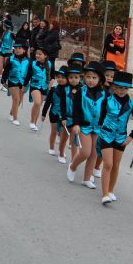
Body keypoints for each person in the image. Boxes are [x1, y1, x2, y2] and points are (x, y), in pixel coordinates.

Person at [96, 71, 133, 205]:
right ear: (114, 87)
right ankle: (104, 194)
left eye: (125, 88)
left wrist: (131, 137)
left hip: (121, 137)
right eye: (120, 87)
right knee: (108, 164)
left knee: (115, 165)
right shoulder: (107, 100)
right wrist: (100, 131)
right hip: (106, 135)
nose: (122, 91)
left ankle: (110, 191)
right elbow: (101, 118)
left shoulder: (132, 104)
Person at [66, 61, 106, 189]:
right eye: (88, 77)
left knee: (94, 154)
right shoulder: (81, 92)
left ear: (100, 79)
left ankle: (87, 178)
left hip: (98, 127)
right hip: (84, 126)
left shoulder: (105, 94)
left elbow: (106, 110)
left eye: (94, 77)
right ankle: (73, 166)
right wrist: (76, 124)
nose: (90, 80)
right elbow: (76, 109)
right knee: (85, 152)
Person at [42, 65, 69, 163]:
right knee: (54, 131)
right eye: (58, 77)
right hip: (53, 113)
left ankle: (61, 151)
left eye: (63, 77)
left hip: (65, 116)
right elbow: (47, 103)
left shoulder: (70, 91)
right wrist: (43, 114)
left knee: (63, 134)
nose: (60, 79)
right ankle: (51, 147)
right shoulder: (53, 89)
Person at [58, 63, 84, 163]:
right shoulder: (65, 89)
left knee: (74, 141)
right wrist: (63, 117)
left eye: (76, 77)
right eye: (71, 77)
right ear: (68, 78)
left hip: (76, 120)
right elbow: (62, 104)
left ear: (80, 78)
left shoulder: (83, 90)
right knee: (64, 138)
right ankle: (61, 154)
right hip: (66, 118)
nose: (74, 79)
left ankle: (73, 160)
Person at [1, 43, 30, 126]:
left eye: (19, 48)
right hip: (12, 81)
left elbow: (30, 73)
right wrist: (3, 81)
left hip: (23, 82)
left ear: (24, 50)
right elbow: (6, 70)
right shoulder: (11, 59)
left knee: (20, 100)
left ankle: (11, 113)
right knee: (16, 99)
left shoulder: (28, 61)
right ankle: (15, 118)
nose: (17, 49)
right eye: (16, 48)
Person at [25, 46, 51, 131]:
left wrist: (51, 83)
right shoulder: (32, 63)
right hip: (34, 86)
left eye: (40, 54)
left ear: (45, 56)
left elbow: (53, 75)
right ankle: (32, 122)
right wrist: (24, 86)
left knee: (39, 105)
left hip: (44, 87)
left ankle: (34, 124)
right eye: (36, 54)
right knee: (37, 102)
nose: (37, 55)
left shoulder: (50, 64)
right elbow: (28, 75)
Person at [0, 20, 15, 91]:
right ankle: (0, 84)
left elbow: (17, 41)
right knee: (0, 67)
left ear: (6, 26)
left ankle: (5, 84)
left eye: (4, 25)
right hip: (1, 51)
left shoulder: (11, 33)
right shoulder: (4, 32)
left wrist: (13, 48)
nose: (3, 26)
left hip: (8, 51)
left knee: (6, 68)